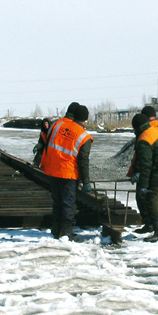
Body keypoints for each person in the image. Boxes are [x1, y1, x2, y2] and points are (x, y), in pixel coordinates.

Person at [40, 102, 93, 241]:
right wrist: (86, 182)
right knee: (68, 203)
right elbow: (83, 161)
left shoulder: (57, 125)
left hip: (52, 170)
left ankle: (56, 231)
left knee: (57, 202)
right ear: (85, 119)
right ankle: (67, 233)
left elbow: (47, 144)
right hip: (68, 174)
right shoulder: (83, 136)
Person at [131, 112, 158, 242]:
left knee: (154, 202)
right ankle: (157, 227)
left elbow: (146, 165)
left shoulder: (144, 139)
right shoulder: (156, 131)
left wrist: (143, 186)